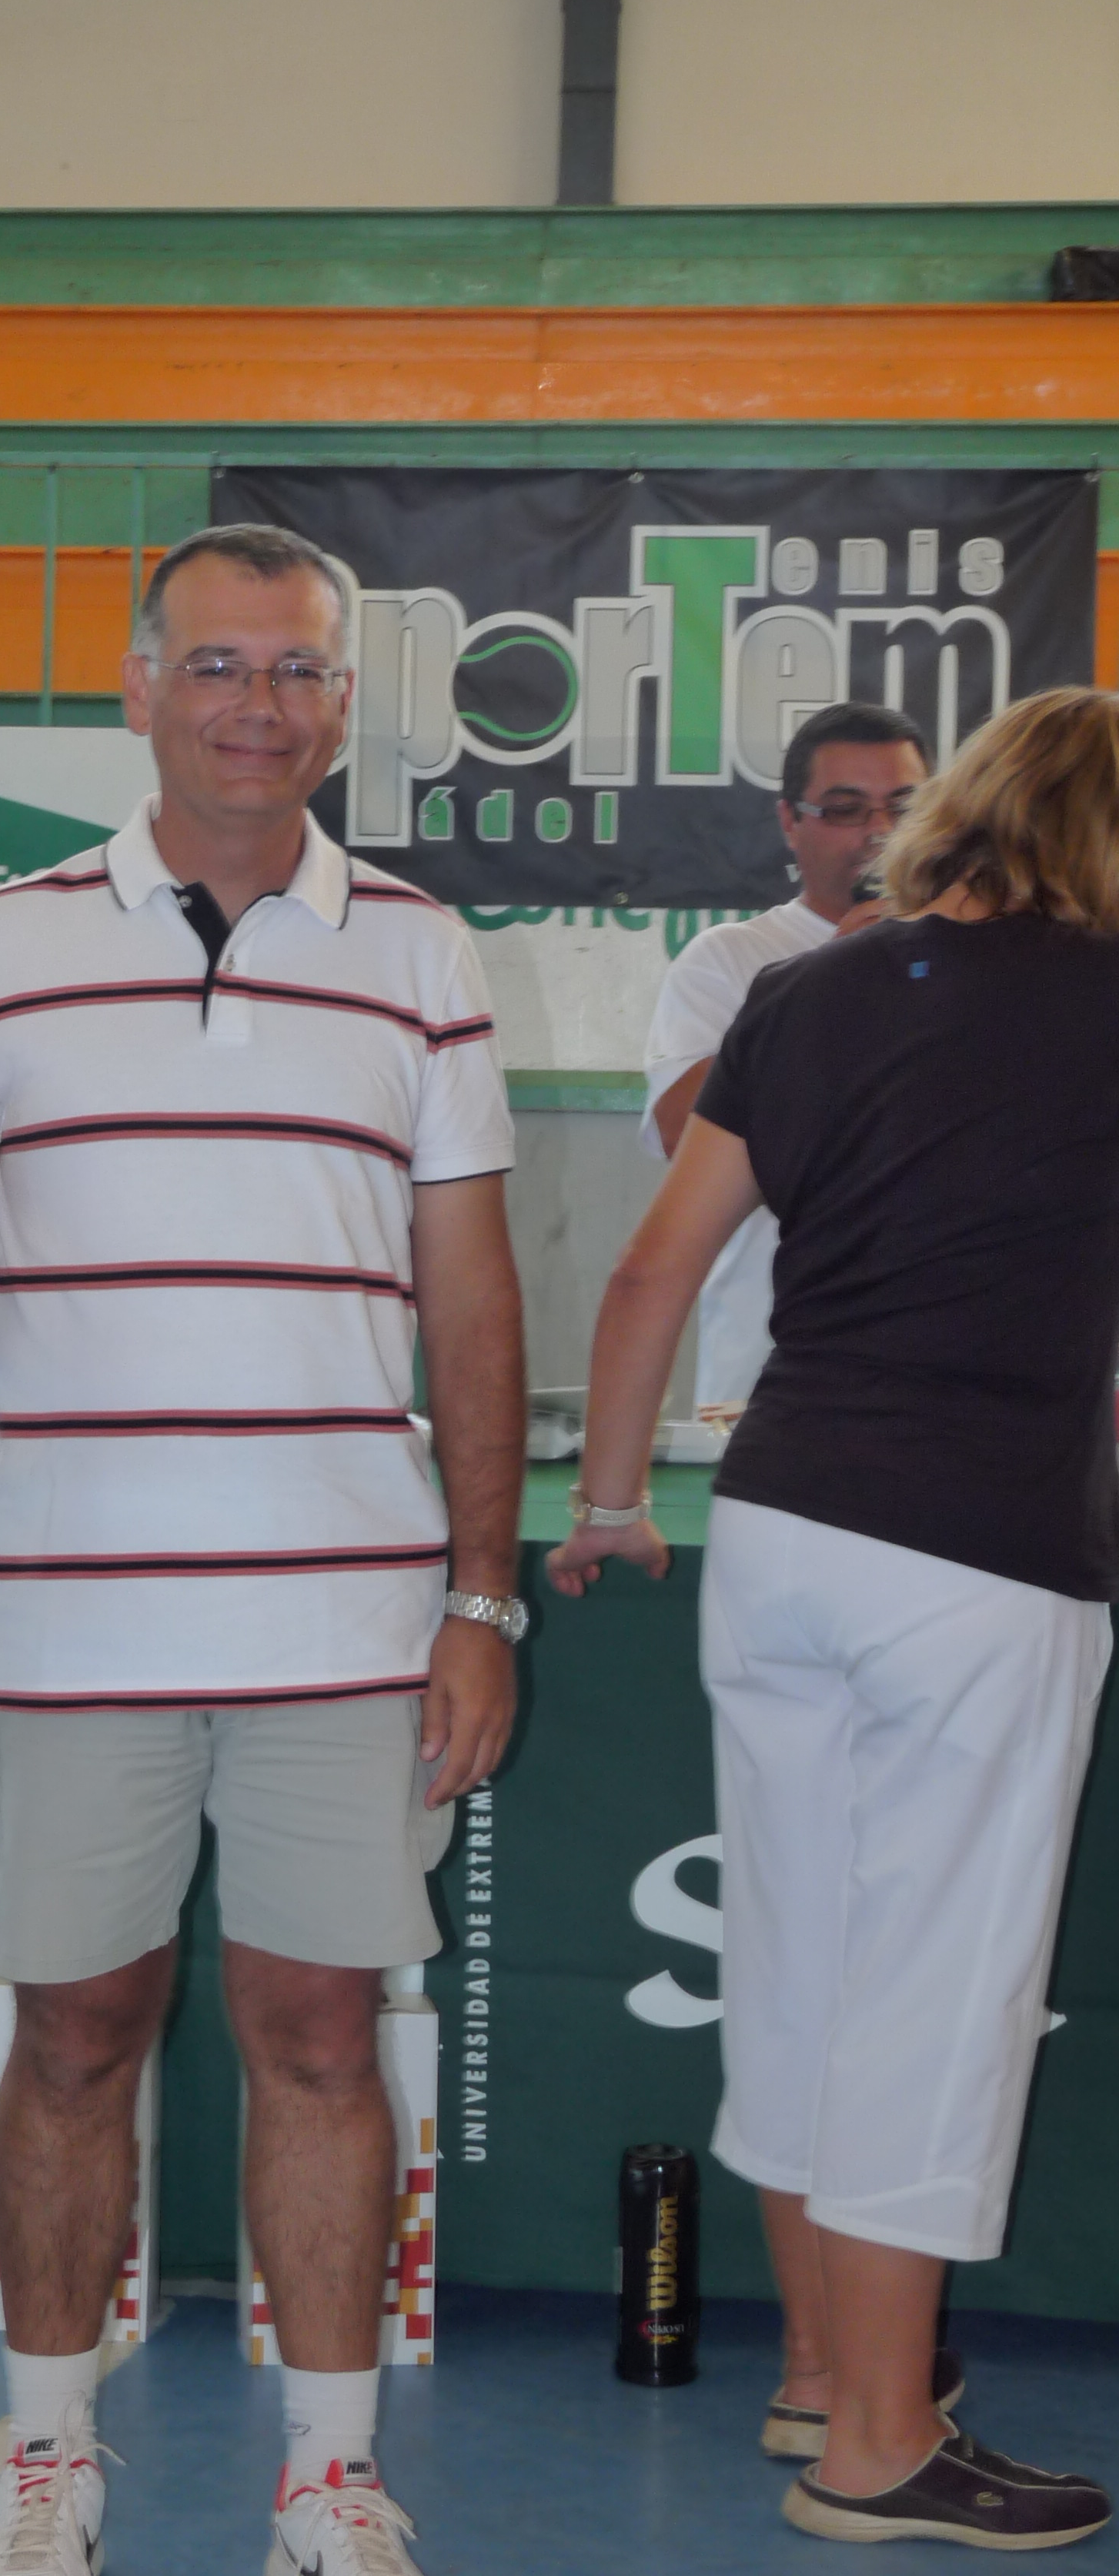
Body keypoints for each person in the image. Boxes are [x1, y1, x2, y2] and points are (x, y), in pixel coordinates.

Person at [0, 523, 528, 2576]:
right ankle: (49, 2462)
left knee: (322, 2037)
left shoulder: (418, 949)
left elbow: (472, 1291)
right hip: (68, 1623)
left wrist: (481, 1595)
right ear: (140, 688)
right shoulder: (0, 943)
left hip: (343, 1620)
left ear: (344, 704)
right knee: (70, 2032)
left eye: (300, 670)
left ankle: (328, 2479)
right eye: (221, 664)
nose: (260, 705)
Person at [548, 687, 1119, 2551]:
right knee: (932, 2004)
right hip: (979, 1553)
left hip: (781, 1529)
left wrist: (609, 1504)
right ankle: (878, 2443)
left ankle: (817, 2377)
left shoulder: (801, 995)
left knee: (797, 1970)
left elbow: (650, 1271)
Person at [641, 703, 927, 1415]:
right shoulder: (730, 961)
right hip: (766, 1379)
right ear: (790, 823)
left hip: (940, 1377)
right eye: (846, 809)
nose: (880, 833)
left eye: (904, 807)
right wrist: (834, 977)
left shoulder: (981, 964)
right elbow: (681, 1134)